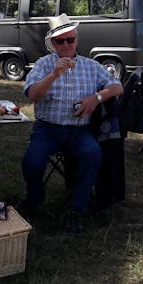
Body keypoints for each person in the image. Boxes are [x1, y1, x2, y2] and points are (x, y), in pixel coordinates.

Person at [21, 14, 123, 235]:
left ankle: (77, 208)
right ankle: (35, 197)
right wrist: (54, 74)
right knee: (32, 163)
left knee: (93, 155)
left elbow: (117, 87)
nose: (67, 45)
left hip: (79, 130)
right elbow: (33, 95)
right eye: (61, 41)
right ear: (53, 44)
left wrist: (95, 98)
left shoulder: (91, 65)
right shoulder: (43, 64)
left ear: (77, 40)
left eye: (71, 39)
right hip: (47, 129)